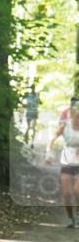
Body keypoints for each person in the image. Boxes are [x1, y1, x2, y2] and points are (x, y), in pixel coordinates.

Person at [47, 97, 79, 228]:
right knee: (66, 194)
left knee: (78, 191)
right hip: (67, 161)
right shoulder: (65, 126)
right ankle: (71, 219)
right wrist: (49, 153)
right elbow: (52, 139)